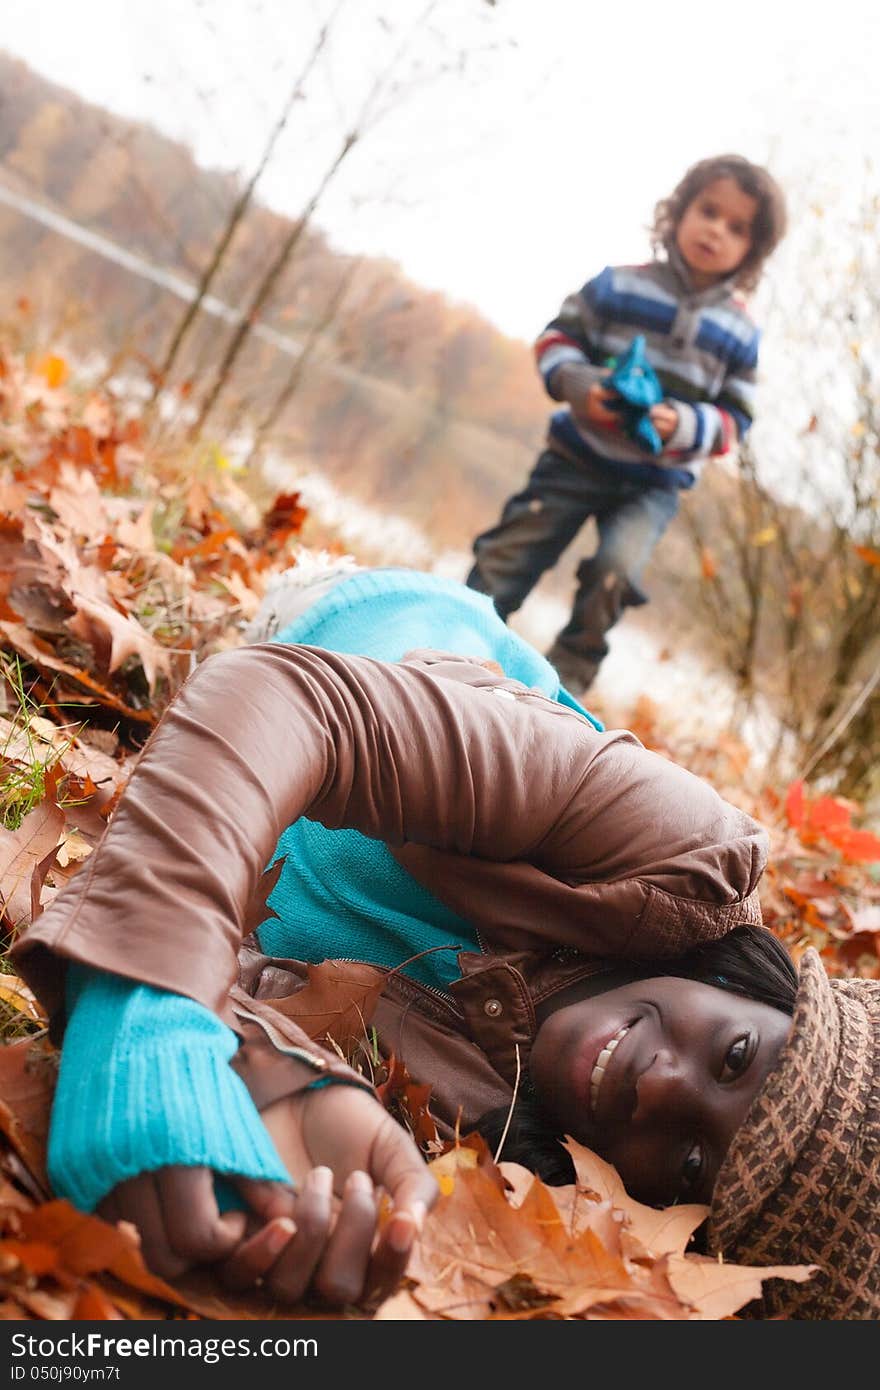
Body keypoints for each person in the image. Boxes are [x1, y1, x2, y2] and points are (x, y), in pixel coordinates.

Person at [12, 566, 878, 1319]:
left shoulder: (516, 1150)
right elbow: (282, 700)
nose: (664, 1086)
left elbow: (254, 983)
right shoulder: (686, 853)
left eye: (693, 1165)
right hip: (348, 629)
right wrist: (140, 1011)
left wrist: (289, 1090)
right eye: (733, 1057)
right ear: (763, 991)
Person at [465, 153, 788, 694]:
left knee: (614, 571)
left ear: (751, 251)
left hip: (653, 486)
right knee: (512, 550)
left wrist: (686, 424)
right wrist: (575, 383)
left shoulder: (740, 333)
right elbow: (556, 338)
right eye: (708, 211)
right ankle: (457, 642)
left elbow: (736, 419)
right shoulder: (619, 285)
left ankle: (560, 686)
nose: (716, 230)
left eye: (737, 228)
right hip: (575, 458)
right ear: (679, 211)